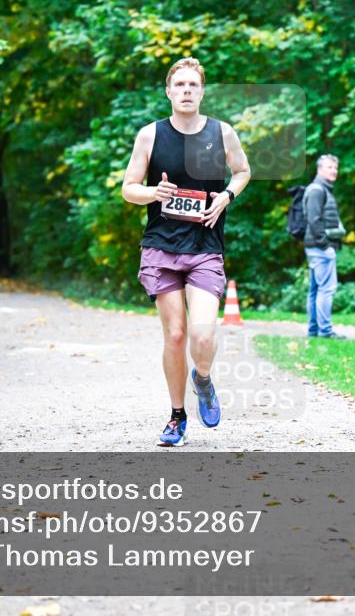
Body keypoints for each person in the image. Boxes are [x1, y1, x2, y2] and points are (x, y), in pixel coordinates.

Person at [121, 57, 251, 447]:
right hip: (161, 248)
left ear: (202, 91)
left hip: (205, 247)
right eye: (180, 85)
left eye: (193, 85)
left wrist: (226, 196)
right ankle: (177, 417)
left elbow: (243, 172)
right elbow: (129, 187)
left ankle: (204, 379)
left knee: (203, 332)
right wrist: (153, 193)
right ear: (168, 92)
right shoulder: (150, 135)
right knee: (175, 335)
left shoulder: (222, 132)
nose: (187, 91)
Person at [303, 154, 347, 339]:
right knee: (326, 289)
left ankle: (314, 330)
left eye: (335, 167)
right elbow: (313, 220)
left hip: (315, 246)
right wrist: (325, 245)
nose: (334, 170)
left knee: (315, 289)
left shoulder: (322, 189)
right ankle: (325, 331)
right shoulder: (316, 190)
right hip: (319, 247)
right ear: (320, 169)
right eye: (330, 167)